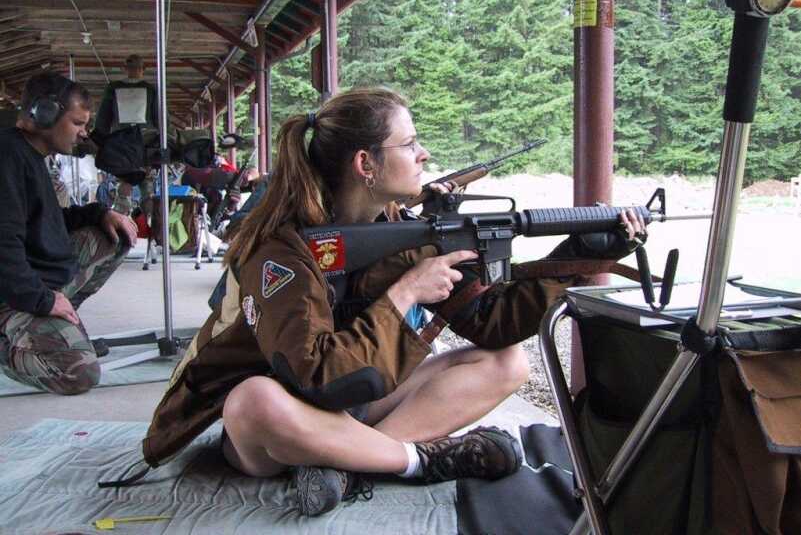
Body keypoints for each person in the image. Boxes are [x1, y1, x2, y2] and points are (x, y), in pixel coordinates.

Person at [142, 88, 646, 516]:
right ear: (366, 163)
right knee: (252, 400)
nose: (423, 154)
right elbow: (316, 378)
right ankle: (416, 460)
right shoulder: (283, 249)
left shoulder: (399, 230)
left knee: (506, 362)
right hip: (276, 425)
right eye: (409, 143)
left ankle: (349, 462)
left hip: (353, 406)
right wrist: (406, 293)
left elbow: (493, 322)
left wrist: (581, 254)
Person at [0, 72, 138, 395]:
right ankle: (15, 340)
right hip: (12, 294)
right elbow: (3, 246)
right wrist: (43, 300)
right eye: (77, 123)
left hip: (35, 277)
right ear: (44, 114)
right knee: (80, 373)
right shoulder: (7, 156)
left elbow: (44, 221)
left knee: (116, 236)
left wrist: (101, 213)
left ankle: (54, 326)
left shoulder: (32, 155)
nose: (83, 133)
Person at [93, 54, 159, 216]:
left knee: (126, 183)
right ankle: (150, 224)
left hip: (121, 142)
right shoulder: (150, 89)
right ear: (143, 70)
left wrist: (99, 138)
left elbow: (103, 118)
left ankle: (123, 223)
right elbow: (159, 117)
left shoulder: (114, 88)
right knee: (145, 185)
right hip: (144, 141)